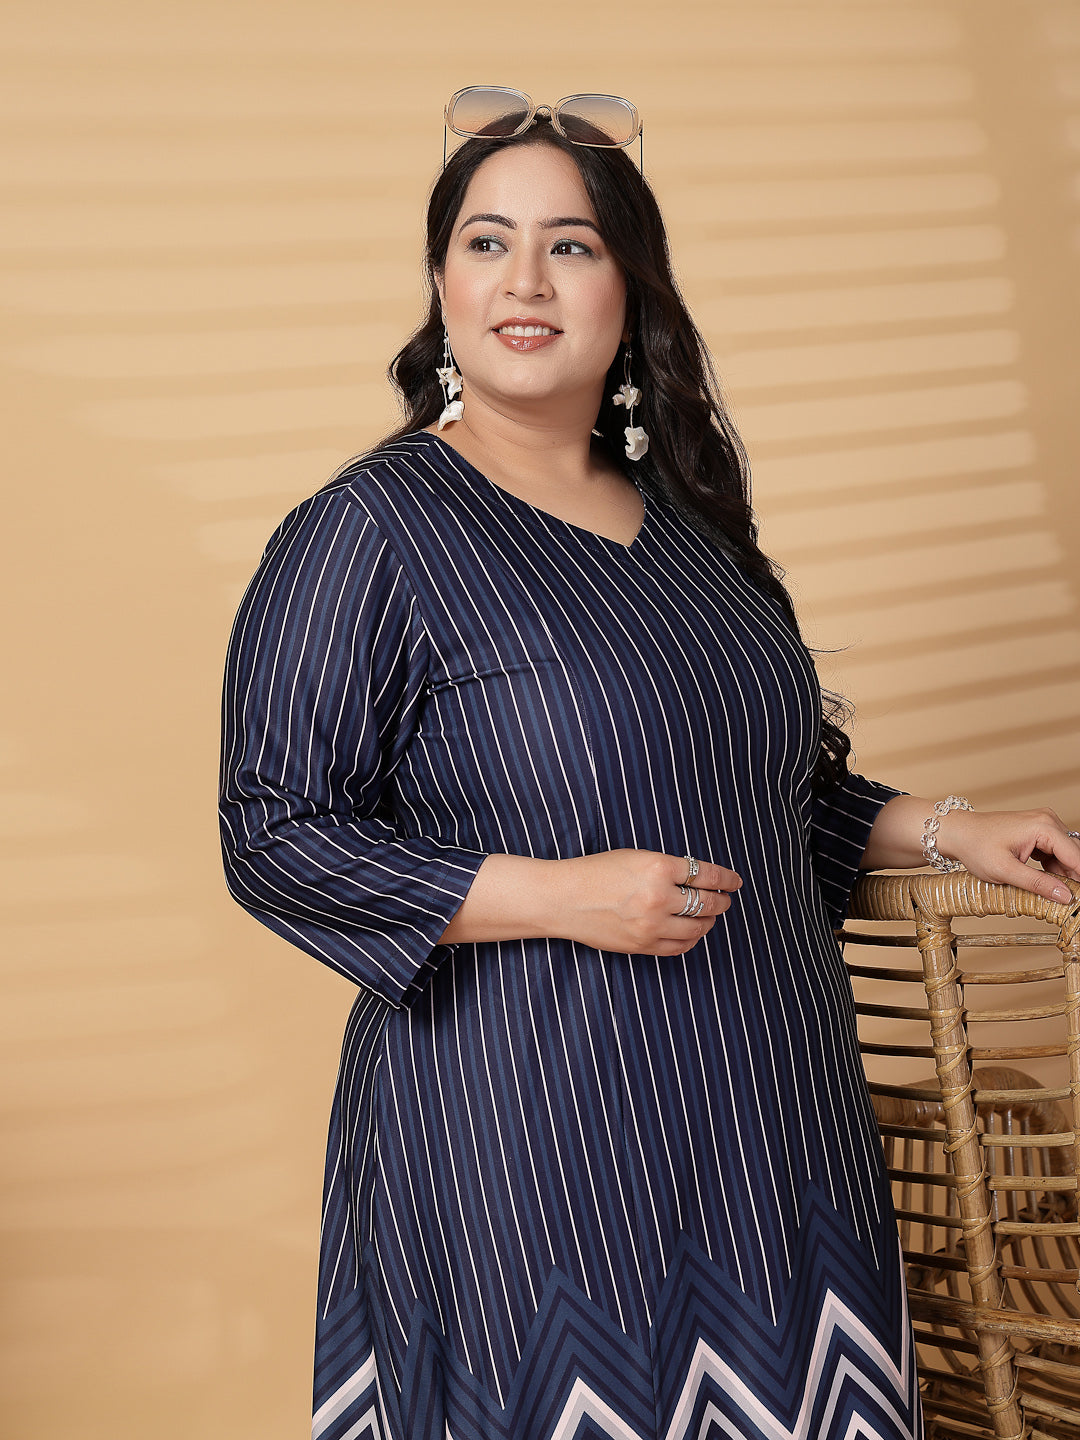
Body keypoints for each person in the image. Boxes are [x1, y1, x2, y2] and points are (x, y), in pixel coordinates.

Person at [219, 88, 1080, 1440]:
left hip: (778, 1122)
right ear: (441, 286)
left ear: (630, 289)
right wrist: (560, 895)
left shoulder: (692, 530)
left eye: (571, 244)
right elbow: (274, 834)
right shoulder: (370, 530)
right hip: (530, 1140)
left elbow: (765, 800)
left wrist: (945, 826)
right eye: (487, 241)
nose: (526, 278)